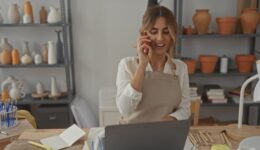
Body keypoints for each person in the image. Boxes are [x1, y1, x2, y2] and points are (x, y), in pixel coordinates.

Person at [116, 3, 190, 124]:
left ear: (172, 35)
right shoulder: (127, 65)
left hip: (165, 134)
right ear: (144, 35)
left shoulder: (180, 68)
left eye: (166, 32)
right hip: (131, 136)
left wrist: (172, 118)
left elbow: (185, 109)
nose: (160, 38)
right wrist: (142, 66)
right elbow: (125, 110)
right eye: (154, 31)